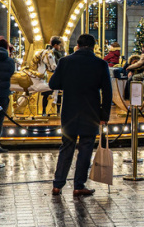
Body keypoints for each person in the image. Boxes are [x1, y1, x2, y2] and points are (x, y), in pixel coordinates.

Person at [49, 33, 112, 196]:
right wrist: (104, 115)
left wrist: (68, 82)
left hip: (69, 112)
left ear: (77, 45)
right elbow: (107, 92)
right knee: (85, 149)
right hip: (90, 112)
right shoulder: (100, 64)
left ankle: (57, 185)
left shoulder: (65, 61)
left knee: (66, 148)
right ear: (93, 46)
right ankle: (78, 185)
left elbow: (53, 83)